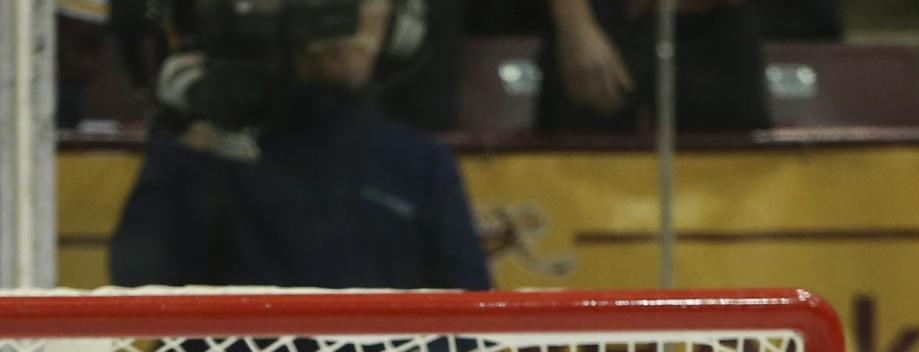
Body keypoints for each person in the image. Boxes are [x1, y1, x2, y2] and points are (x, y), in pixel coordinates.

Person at [109, 0, 490, 292]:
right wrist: (184, 150)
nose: (351, 21)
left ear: (401, 21)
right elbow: (138, 279)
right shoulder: (210, 148)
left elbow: (475, 337)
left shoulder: (421, 164)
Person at [539, 0, 771, 134]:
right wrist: (575, 24)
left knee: (733, 177)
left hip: (717, 24)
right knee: (578, 171)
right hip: (599, 21)